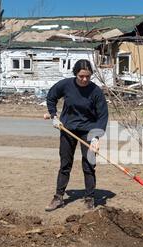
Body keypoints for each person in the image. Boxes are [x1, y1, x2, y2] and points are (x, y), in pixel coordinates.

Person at [45, 59, 109, 212]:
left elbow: (102, 116)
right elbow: (51, 97)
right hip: (68, 129)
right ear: (75, 74)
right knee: (65, 164)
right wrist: (54, 116)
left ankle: (89, 198)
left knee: (89, 165)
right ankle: (59, 197)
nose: (85, 79)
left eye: (88, 76)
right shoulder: (66, 85)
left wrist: (95, 137)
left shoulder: (95, 91)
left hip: (88, 131)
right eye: (81, 76)